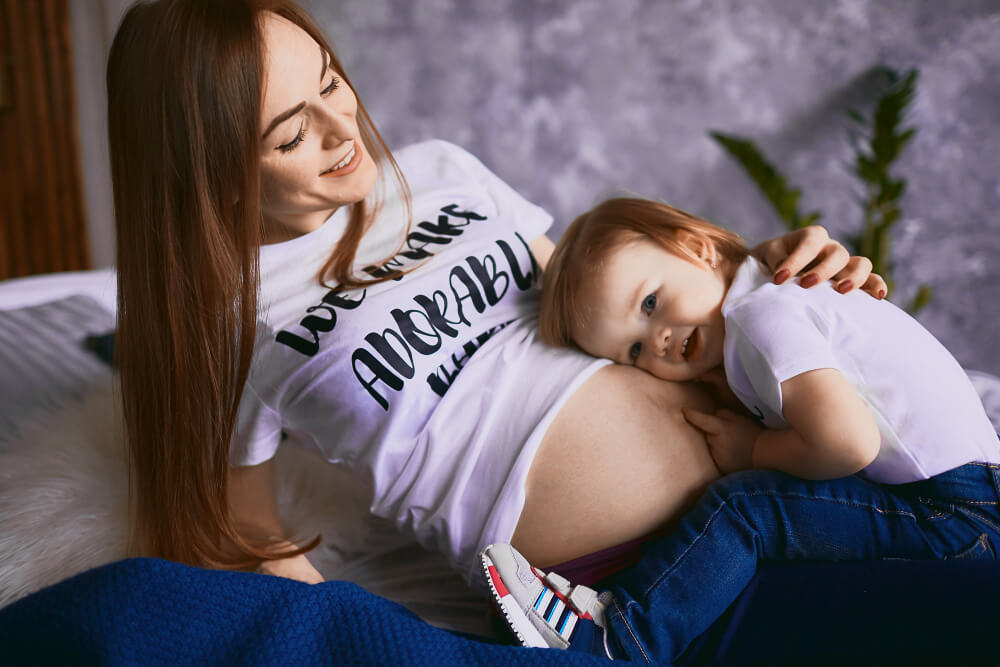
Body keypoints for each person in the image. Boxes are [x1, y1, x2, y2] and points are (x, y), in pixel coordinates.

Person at [107, 0, 883, 589]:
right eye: (288, 135)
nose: (341, 128)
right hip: (623, 575)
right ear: (200, 168)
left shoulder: (441, 169)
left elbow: (601, 308)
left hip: (771, 464)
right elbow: (247, 533)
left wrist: (763, 275)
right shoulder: (232, 323)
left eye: (331, 82)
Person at [480, 197, 1000, 662]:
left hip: (952, 510)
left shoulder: (765, 314)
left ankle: (620, 642)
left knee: (743, 508)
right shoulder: (772, 302)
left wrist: (753, 449)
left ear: (698, 248)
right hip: (969, 496)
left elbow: (848, 443)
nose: (656, 338)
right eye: (634, 351)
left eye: (649, 303)